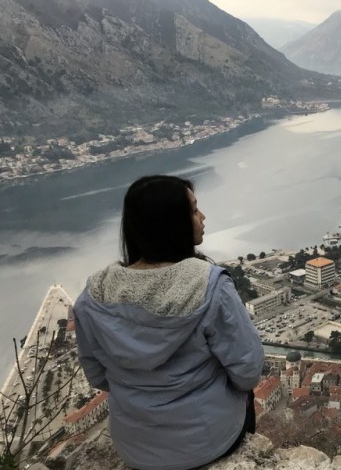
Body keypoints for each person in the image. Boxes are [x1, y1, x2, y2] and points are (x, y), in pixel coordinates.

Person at [73, 175, 264, 470]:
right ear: (171, 223)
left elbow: (97, 375)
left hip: (134, 447)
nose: (202, 217)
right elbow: (248, 370)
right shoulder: (209, 286)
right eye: (193, 210)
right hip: (207, 442)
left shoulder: (94, 294)